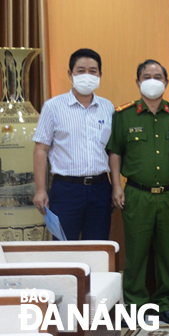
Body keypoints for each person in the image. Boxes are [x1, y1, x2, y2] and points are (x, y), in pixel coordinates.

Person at [106, 59, 169, 324]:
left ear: (166, 82)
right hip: (136, 194)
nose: (153, 80)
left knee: (168, 252)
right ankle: (135, 305)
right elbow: (115, 152)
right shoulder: (124, 115)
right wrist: (116, 185)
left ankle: (165, 303)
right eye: (147, 76)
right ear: (138, 81)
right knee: (136, 253)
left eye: (158, 76)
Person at [32, 48, 114, 240]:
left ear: (100, 75)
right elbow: (41, 150)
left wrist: (115, 186)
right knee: (63, 248)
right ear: (70, 74)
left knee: (97, 247)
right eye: (81, 70)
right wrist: (41, 190)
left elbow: (112, 151)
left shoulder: (108, 107)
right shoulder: (53, 106)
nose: (87, 76)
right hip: (66, 189)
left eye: (93, 71)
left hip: (100, 187)